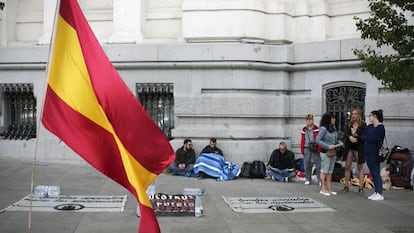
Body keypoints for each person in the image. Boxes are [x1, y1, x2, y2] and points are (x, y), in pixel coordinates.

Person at [316, 113, 342, 196]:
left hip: (333, 152)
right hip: (325, 152)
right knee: (324, 170)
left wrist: (338, 143)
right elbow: (318, 140)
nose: (334, 120)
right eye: (333, 118)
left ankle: (329, 188)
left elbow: (335, 139)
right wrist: (327, 146)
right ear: (328, 119)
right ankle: (323, 188)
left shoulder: (333, 128)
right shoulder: (323, 129)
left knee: (330, 171)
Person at [361, 109, 385, 201]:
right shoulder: (370, 126)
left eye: (371, 115)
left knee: (376, 173)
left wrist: (367, 138)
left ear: (375, 116)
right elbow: (363, 136)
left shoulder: (380, 127)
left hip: (375, 153)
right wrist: (367, 138)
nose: (369, 117)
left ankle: (380, 193)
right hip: (367, 152)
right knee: (373, 173)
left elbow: (374, 138)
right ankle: (376, 191)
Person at [341, 108, 366, 195]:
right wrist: (349, 137)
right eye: (352, 114)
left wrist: (357, 137)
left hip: (358, 147)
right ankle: (346, 186)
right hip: (349, 147)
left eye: (355, 114)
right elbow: (345, 134)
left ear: (359, 115)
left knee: (360, 167)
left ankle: (361, 188)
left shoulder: (363, 124)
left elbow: (363, 135)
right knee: (347, 166)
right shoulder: (348, 124)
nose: (353, 115)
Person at [300, 114, 321, 185]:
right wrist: (302, 149)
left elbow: (319, 139)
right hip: (306, 148)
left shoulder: (317, 128)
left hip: (315, 148)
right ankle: (308, 179)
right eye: (307, 119)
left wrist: (319, 148)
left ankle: (320, 180)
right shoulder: (304, 129)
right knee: (307, 164)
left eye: (310, 119)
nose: (309, 121)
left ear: (313, 120)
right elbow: (302, 140)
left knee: (318, 164)